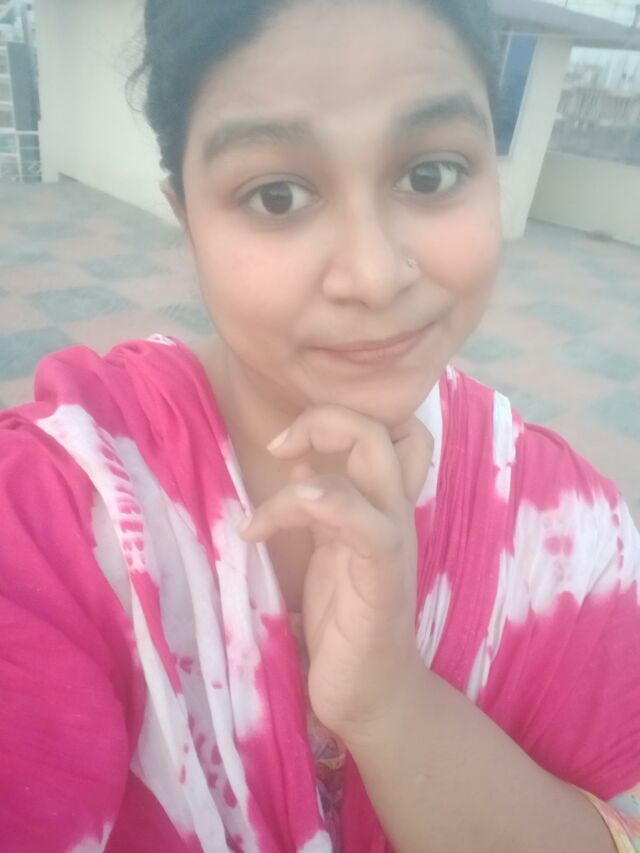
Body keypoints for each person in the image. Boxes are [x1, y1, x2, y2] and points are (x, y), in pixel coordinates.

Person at [1, 0, 638, 850]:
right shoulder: (48, 520)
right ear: (186, 217)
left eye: (431, 174)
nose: (373, 275)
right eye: (278, 194)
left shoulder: (568, 534)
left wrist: (391, 701)